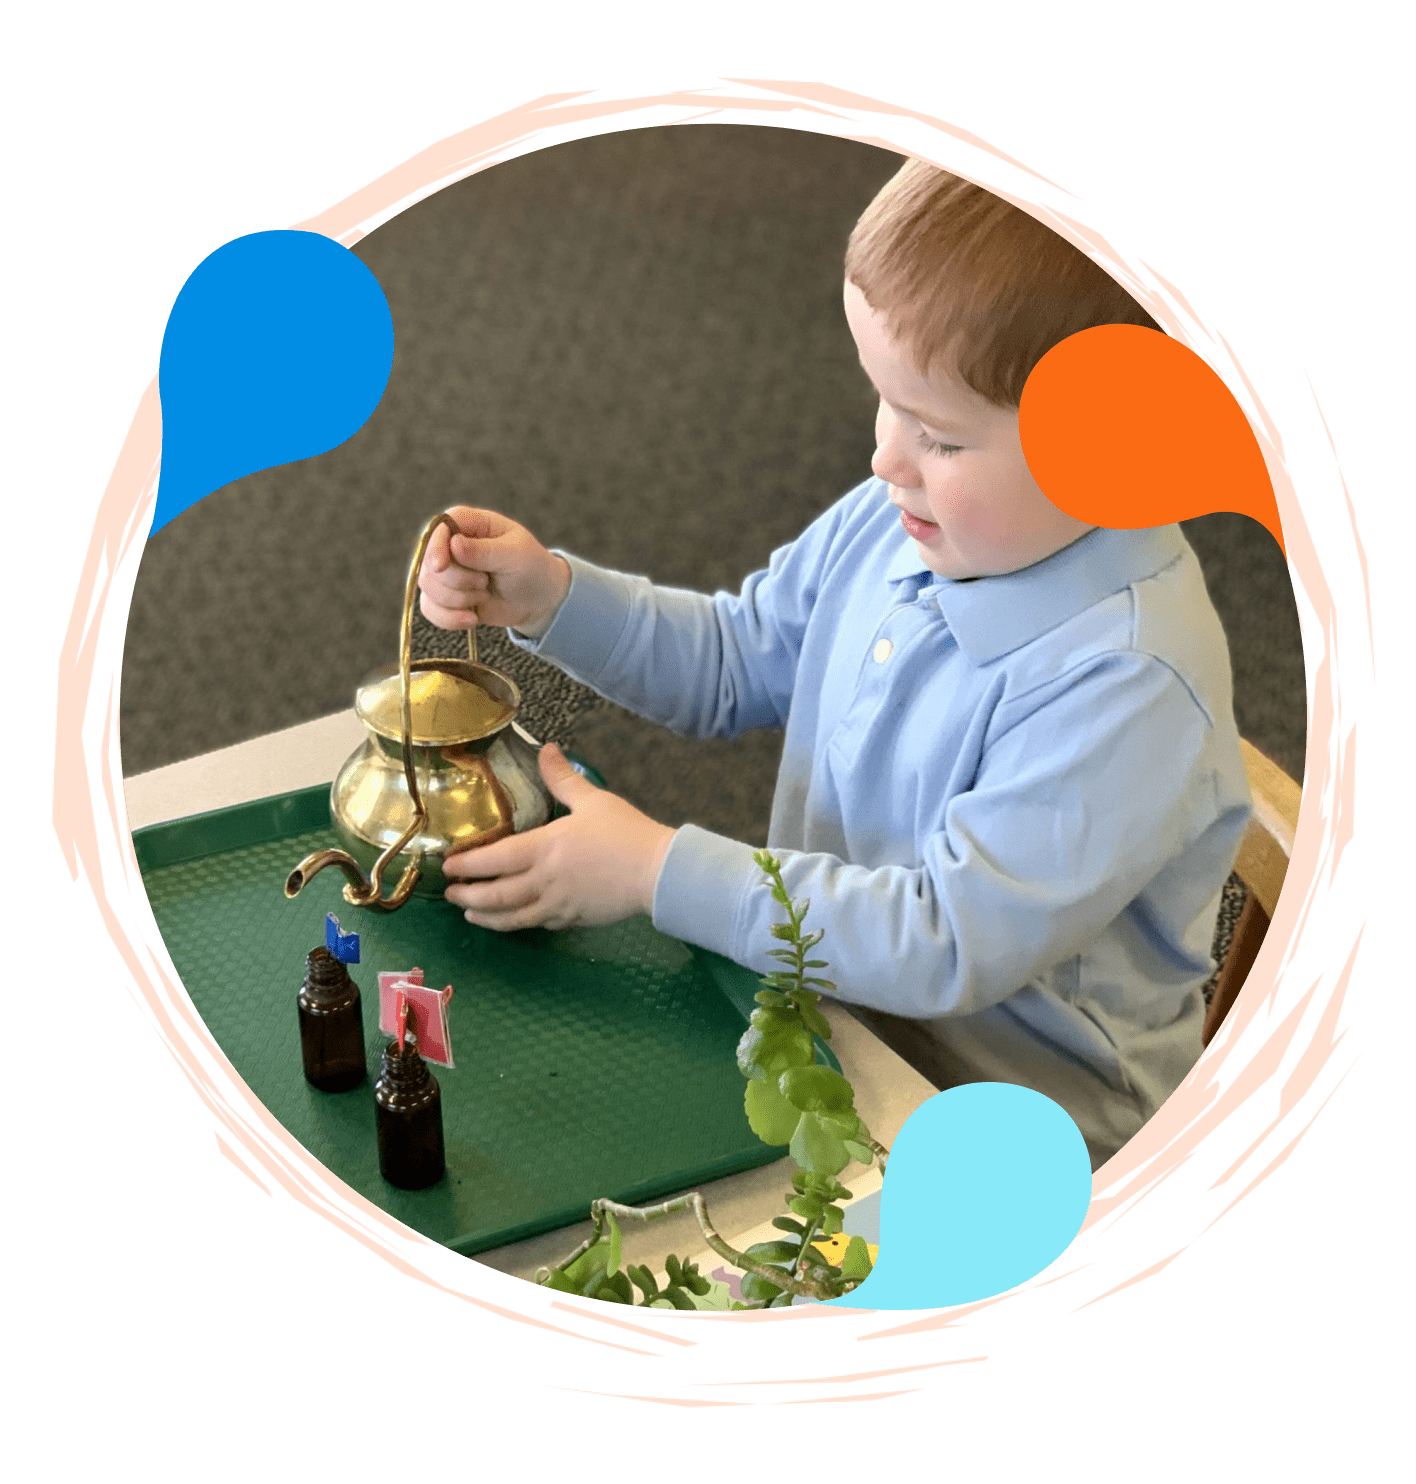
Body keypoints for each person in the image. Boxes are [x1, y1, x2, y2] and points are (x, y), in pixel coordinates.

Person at [417, 160, 1252, 1169]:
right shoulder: (909, 521)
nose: (884, 458)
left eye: (938, 434)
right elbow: (733, 656)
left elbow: (944, 938)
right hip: (831, 1025)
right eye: (884, 402)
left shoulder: (1132, 677)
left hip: (1024, 1140)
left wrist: (654, 868)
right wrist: (552, 593)